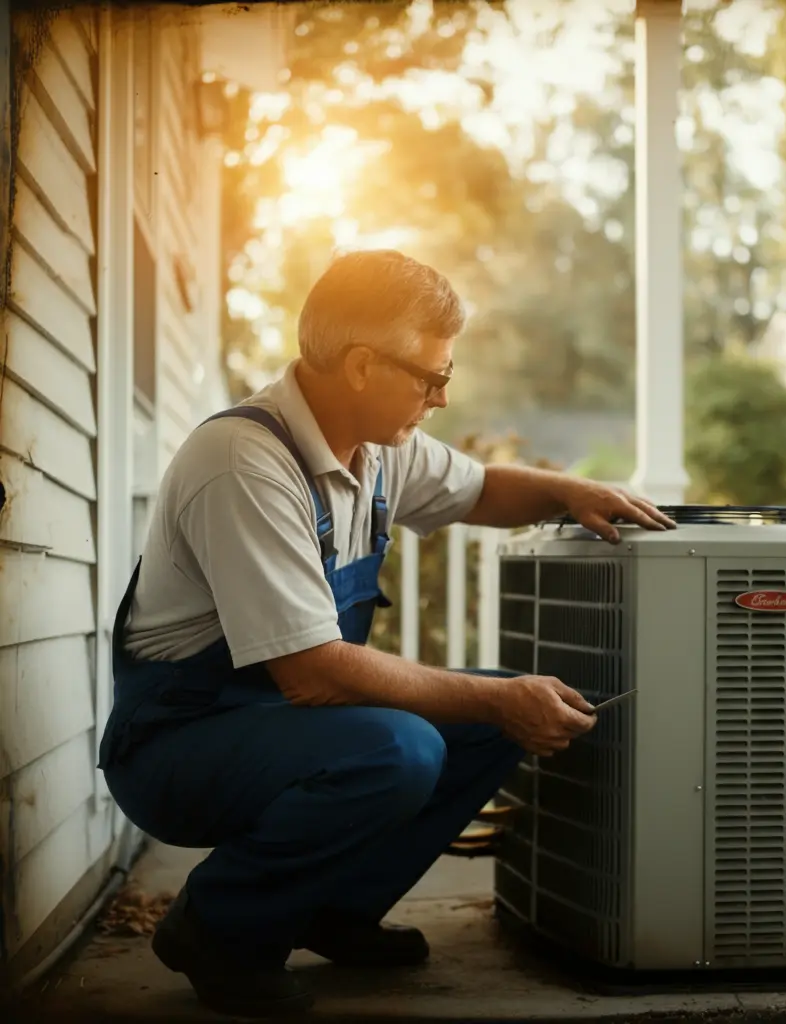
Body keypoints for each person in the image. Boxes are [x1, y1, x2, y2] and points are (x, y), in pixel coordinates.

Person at [97, 249, 674, 1017]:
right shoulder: (243, 463)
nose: (439, 398)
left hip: (278, 723)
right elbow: (312, 674)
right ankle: (219, 928)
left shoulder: (372, 450)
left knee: (493, 710)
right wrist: (494, 704)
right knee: (406, 746)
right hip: (178, 744)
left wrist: (577, 493)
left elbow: (481, 489)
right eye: (430, 377)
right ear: (363, 366)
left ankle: (332, 909)